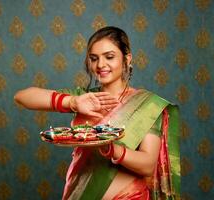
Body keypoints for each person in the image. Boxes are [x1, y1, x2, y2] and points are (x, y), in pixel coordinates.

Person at [14, 26, 180, 200]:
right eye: (94, 59)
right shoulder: (84, 97)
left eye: (109, 57)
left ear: (127, 58)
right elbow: (22, 97)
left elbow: (147, 165)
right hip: (81, 193)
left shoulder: (147, 105)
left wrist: (109, 148)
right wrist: (72, 102)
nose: (100, 65)